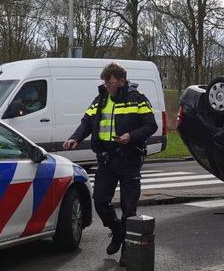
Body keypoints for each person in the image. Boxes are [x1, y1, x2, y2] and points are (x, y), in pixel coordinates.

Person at [62, 63, 157, 259]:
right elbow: (87, 122)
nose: (107, 85)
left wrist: (131, 136)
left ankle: (128, 250)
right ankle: (117, 232)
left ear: (121, 81)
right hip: (106, 159)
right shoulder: (101, 99)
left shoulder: (137, 99)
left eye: (110, 82)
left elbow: (151, 126)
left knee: (129, 208)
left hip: (129, 158)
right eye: (105, 82)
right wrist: (75, 138)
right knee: (99, 201)